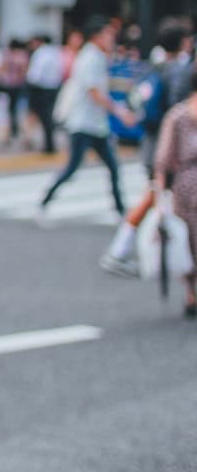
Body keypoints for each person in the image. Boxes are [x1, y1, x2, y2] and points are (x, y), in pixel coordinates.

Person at [101, 20, 194, 277]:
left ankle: (122, 248)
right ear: (182, 42)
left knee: (155, 197)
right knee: (153, 197)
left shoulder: (152, 66)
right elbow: (178, 110)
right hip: (169, 149)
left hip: (152, 143)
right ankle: (119, 249)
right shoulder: (177, 71)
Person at [40, 17, 132, 219]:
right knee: (74, 168)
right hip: (84, 123)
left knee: (112, 167)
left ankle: (120, 210)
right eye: (108, 34)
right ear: (97, 36)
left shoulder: (96, 56)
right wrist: (119, 111)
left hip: (94, 124)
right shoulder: (91, 58)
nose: (111, 38)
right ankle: (45, 200)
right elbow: (94, 92)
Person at [151, 65, 197, 315]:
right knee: (187, 241)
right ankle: (191, 292)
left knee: (188, 241)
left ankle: (191, 293)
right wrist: (160, 199)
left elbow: (162, 161)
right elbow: (162, 162)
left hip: (185, 184)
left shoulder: (177, 115)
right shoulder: (178, 117)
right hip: (187, 187)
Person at [25, 35, 65, 154]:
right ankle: (49, 143)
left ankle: (48, 144)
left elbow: (35, 75)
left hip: (41, 89)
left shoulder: (41, 53)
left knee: (43, 117)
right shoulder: (55, 53)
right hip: (54, 88)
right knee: (48, 117)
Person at [0, 36, 29, 144]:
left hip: (8, 85)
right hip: (19, 85)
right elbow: (24, 70)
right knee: (20, 110)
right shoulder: (22, 55)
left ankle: (10, 133)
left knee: (10, 110)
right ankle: (21, 133)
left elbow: (1, 68)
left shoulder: (7, 55)